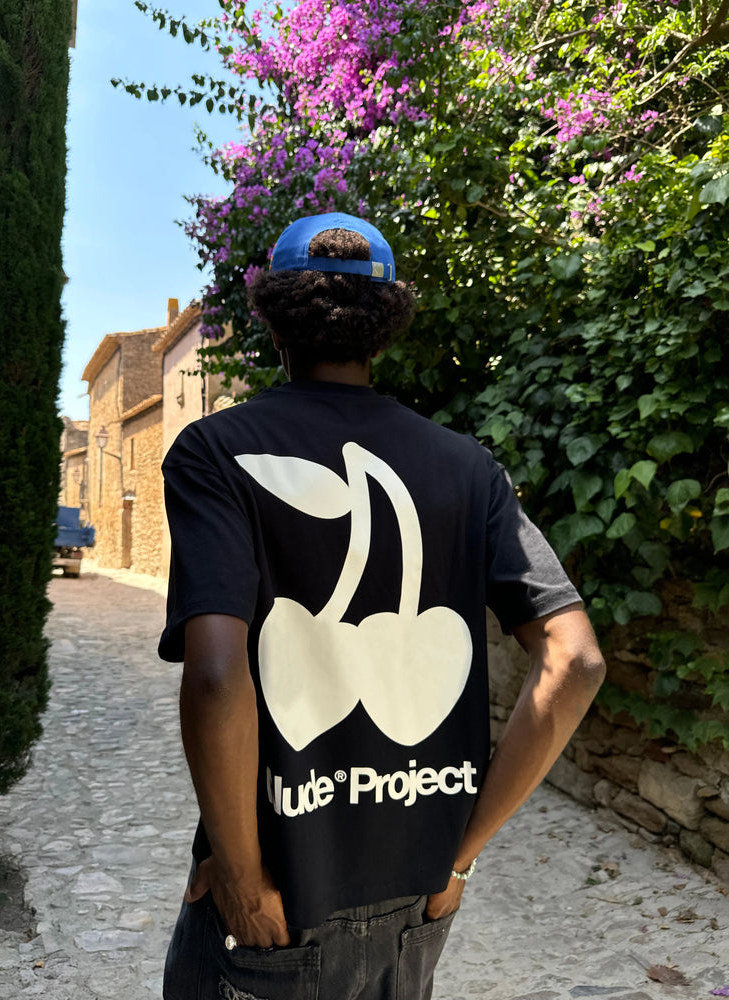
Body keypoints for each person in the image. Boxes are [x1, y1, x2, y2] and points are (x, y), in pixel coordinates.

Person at [158, 212, 606, 1000]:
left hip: (276, 903)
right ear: (385, 326)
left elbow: (219, 677)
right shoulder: (468, 468)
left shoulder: (218, 452)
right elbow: (575, 660)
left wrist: (242, 878)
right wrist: (460, 858)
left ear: (275, 322)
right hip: (416, 901)